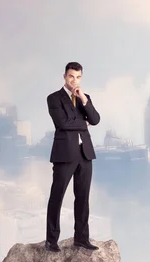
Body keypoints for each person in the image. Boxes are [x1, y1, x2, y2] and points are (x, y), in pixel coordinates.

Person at [44, 61, 100, 252]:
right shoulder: (54, 98)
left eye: (78, 77)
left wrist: (84, 99)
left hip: (85, 154)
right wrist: (82, 123)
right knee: (57, 197)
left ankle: (81, 238)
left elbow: (95, 119)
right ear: (64, 76)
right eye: (71, 76)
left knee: (83, 198)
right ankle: (51, 240)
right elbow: (62, 123)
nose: (74, 80)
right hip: (64, 154)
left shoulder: (85, 98)